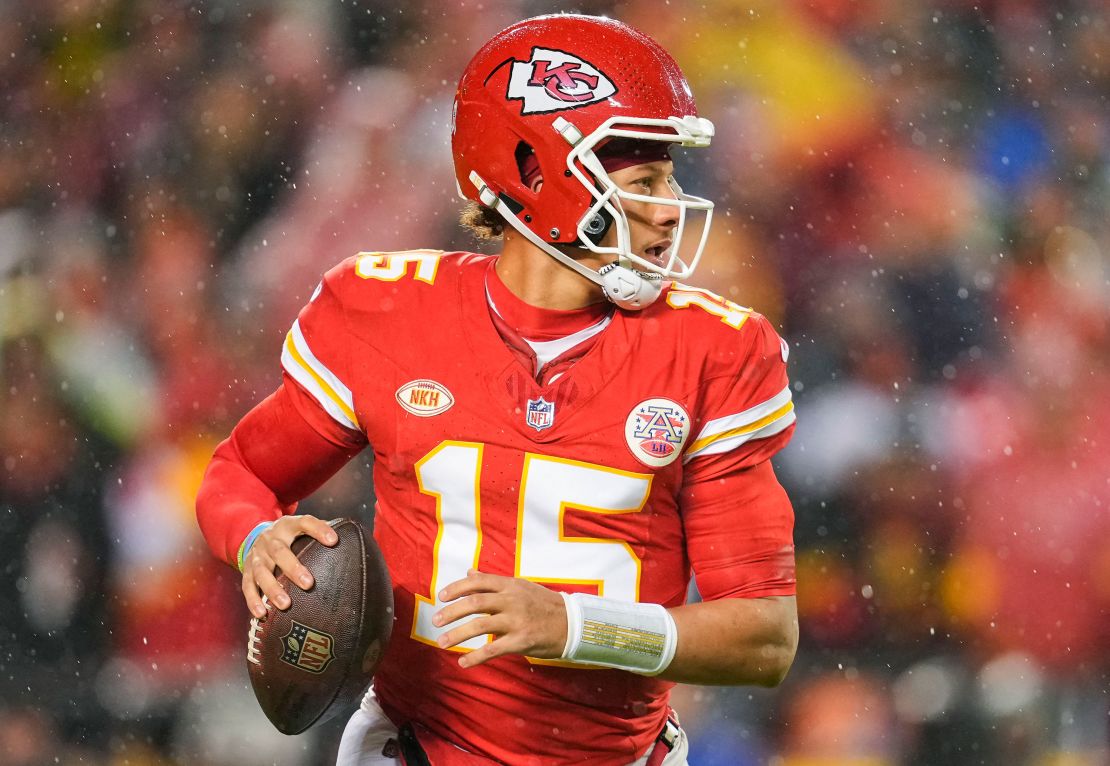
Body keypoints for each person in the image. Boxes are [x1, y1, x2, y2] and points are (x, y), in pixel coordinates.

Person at [196, 13, 799, 766]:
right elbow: (240, 473)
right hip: (414, 747)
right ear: (536, 174)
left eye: (670, 178)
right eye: (644, 181)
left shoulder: (713, 351)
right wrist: (257, 540)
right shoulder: (388, 312)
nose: (669, 209)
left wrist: (573, 626)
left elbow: (765, 637)